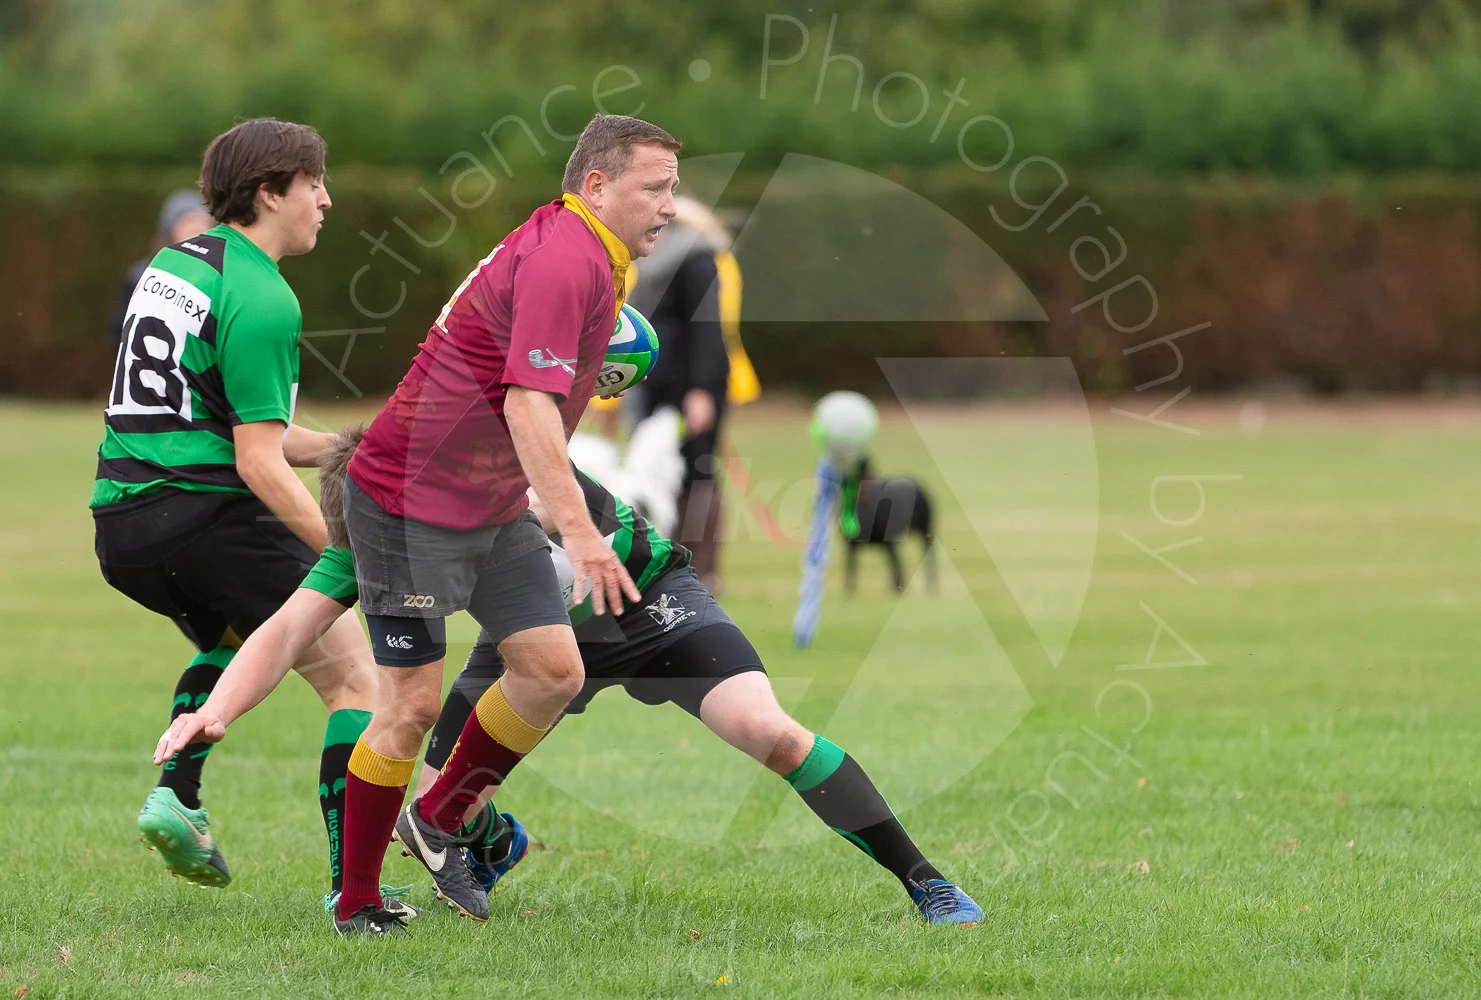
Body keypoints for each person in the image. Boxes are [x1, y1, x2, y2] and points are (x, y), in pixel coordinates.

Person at [157, 430, 986, 932]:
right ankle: (482, 848)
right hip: (532, 639)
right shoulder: (377, 532)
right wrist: (214, 714)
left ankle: (928, 882)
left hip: (644, 601)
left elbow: (552, 494)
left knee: (768, 731)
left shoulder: (482, 478)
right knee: (448, 788)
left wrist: (545, 504)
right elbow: (286, 628)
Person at [329, 113, 678, 936]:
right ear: (596, 185)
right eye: (653, 187)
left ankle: (440, 819)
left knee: (552, 670)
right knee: (410, 706)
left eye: (674, 187)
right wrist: (581, 531)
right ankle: (358, 903)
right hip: (410, 500)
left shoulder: (593, 252)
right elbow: (529, 406)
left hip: (485, 502)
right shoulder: (567, 257)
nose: (669, 204)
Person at [90, 118, 376, 893]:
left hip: (122, 525)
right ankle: (358, 889)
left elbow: (243, 428)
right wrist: (349, 553)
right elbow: (255, 460)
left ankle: (177, 795)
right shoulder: (266, 297)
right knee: (360, 681)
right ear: (270, 192)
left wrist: (349, 445)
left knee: (234, 632)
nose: (326, 198)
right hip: (204, 519)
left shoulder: (174, 263)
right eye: (313, 183)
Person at [629, 195, 733, 590]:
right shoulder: (650, 264)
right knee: (658, 471)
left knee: (698, 471)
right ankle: (668, 564)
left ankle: (702, 571)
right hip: (658, 388)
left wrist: (702, 389)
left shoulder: (697, 259)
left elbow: (708, 329)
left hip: (692, 387)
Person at [108, 190, 216, 357]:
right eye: (188, 221)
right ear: (170, 229)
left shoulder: (217, 278)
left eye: (202, 221)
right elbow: (119, 332)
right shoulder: (141, 276)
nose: (196, 228)